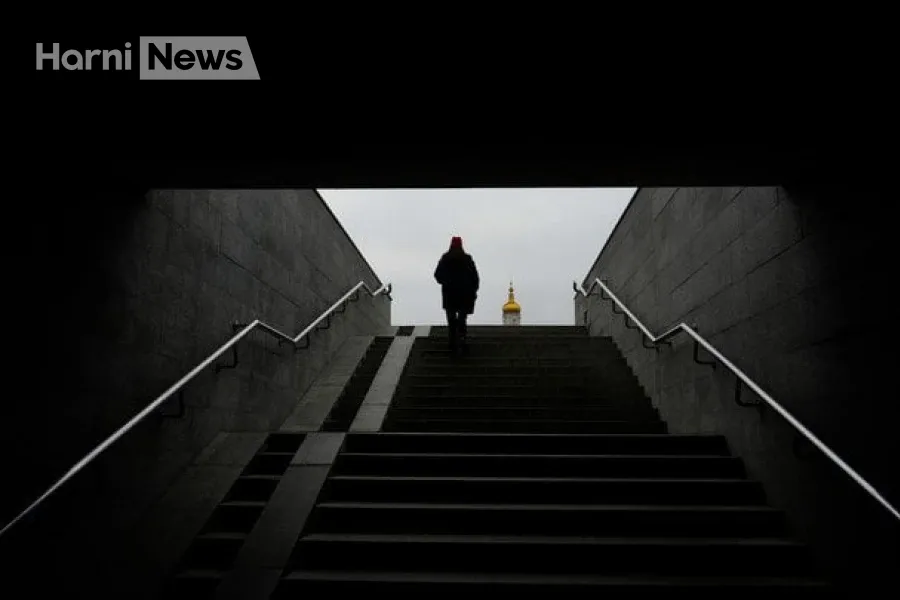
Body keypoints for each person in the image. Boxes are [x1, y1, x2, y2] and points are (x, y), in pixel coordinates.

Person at [434, 236, 479, 354]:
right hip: (465, 294)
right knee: (462, 318)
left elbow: (437, 274)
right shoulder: (467, 259)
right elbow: (475, 277)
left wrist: (445, 281)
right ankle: (462, 339)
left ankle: (452, 341)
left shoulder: (445, 258)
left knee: (451, 318)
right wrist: (473, 290)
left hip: (449, 293)